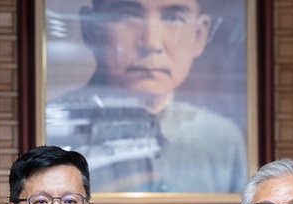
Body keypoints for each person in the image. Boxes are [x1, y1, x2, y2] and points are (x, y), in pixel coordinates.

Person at [46, 0, 247, 193]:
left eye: (173, 18)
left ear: (198, 35)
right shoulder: (53, 131)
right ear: (90, 28)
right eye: (126, 14)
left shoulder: (223, 140)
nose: (151, 43)